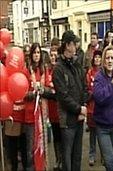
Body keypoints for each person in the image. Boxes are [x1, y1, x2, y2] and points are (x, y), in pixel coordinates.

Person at [52, 30, 89, 171]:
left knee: (77, 156)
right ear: (67, 45)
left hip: (79, 118)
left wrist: (83, 106)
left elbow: (84, 87)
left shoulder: (77, 64)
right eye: (74, 43)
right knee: (67, 157)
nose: (77, 46)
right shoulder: (58, 69)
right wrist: (79, 109)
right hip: (67, 121)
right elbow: (63, 96)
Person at [24, 42, 46, 171]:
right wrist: (33, 93)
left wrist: (44, 90)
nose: (36, 55)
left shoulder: (43, 69)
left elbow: (49, 86)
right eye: (34, 53)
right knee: (30, 149)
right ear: (31, 55)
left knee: (41, 147)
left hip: (42, 116)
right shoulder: (27, 71)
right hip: (30, 116)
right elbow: (22, 93)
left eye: (38, 53)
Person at [44, 46, 62, 170]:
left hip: (62, 110)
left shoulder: (61, 70)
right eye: (52, 55)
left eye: (55, 55)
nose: (53, 57)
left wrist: (52, 93)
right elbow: (45, 88)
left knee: (64, 137)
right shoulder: (47, 71)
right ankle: (57, 160)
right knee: (56, 137)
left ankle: (64, 159)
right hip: (51, 111)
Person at [86, 50, 103, 166]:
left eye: (99, 57)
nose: (97, 59)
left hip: (101, 109)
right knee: (92, 133)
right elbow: (87, 89)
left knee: (102, 133)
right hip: (91, 108)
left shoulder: (103, 73)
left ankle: (103, 155)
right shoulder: (89, 73)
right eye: (95, 57)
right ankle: (92, 154)